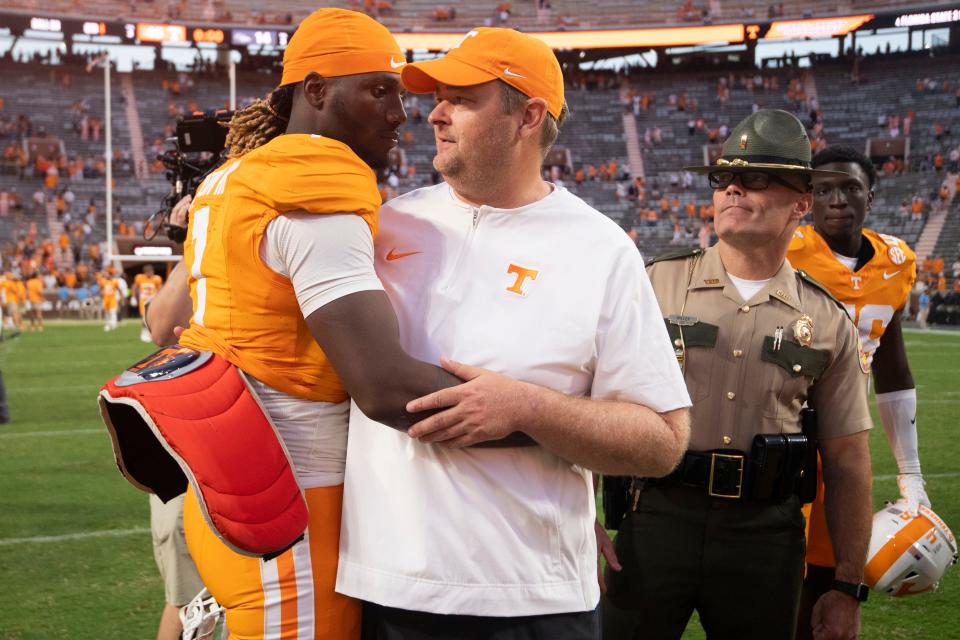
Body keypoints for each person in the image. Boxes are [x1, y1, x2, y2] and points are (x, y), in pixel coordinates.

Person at [131, 10, 550, 639]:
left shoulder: (238, 177)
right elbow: (384, 387)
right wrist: (549, 426)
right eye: (379, 91)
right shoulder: (312, 192)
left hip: (234, 484)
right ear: (319, 91)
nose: (401, 114)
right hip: (291, 495)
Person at [335, 27, 691, 639]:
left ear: (528, 116)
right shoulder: (382, 224)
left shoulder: (600, 249)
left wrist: (528, 406)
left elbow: (662, 440)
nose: (435, 115)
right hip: (381, 589)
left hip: (530, 601)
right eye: (438, 97)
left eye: (462, 99)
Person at [600, 110, 874, 640]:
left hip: (765, 536)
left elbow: (848, 462)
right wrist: (579, 525)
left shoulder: (827, 321)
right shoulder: (649, 284)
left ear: (801, 202)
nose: (732, 190)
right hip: (656, 516)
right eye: (723, 178)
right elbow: (593, 402)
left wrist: (847, 586)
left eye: (755, 178)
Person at [786, 145, 930, 640]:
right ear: (808, 199)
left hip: (845, 441)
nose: (837, 199)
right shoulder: (786, 250)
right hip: (782, 431)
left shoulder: (897, 261)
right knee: (775, 572)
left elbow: (893, 369)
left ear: (871, 194)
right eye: (823, 189)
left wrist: (911, 476)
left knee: (831, 579)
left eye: (849, 187)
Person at [133, 264, 164, 342]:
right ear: (145, 272)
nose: (150, 273)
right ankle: (144, 333)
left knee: (153, 319)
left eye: (151, 271)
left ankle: (151, 334)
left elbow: (161, 289)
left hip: (153, 301)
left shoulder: (157, 279)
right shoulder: (140, 278)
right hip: (143, 301)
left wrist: (160, 299)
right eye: (149, 272)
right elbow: (134, 287)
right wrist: (133, 297)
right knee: (144, 318)